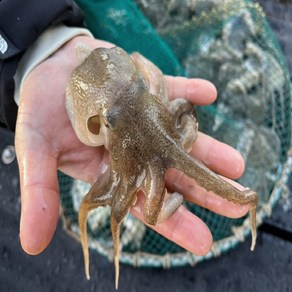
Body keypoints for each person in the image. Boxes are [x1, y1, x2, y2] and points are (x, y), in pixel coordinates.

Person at [0, 0, 249, 257]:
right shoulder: (85, 97)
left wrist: (37, 49)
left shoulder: (132, 83)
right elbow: (141, 68)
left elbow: (142, 69)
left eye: (141, 88)